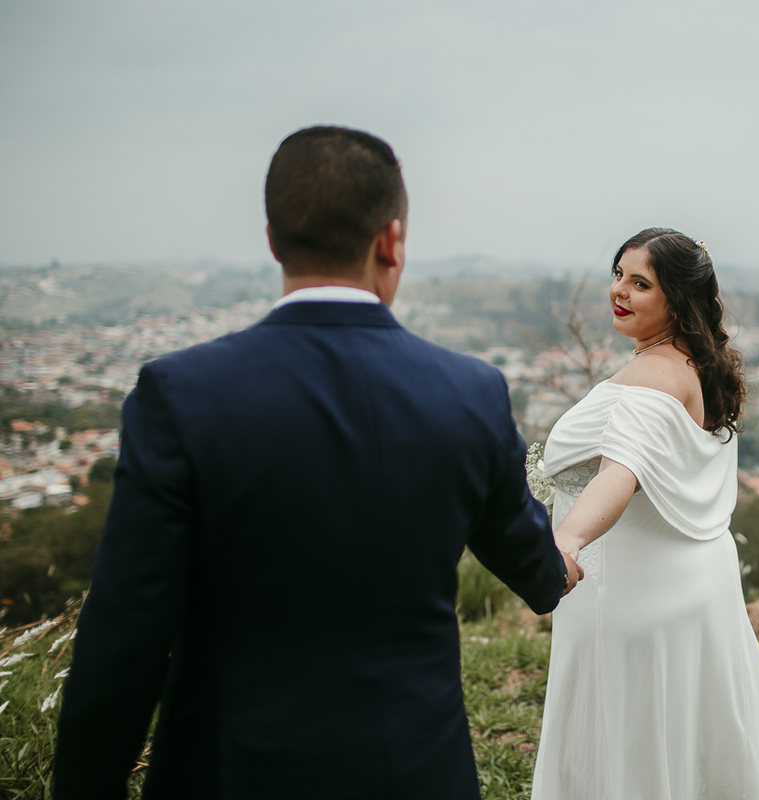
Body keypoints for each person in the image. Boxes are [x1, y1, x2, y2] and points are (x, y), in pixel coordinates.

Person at [53, 125, 581, 800]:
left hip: (228, 772)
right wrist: (559, 565)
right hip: (415, 772)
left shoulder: (180, 394)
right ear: (391, 240)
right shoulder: (471, 392)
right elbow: (533, 567)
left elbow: (124, 635)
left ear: (273, 238)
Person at [531, 228, 759, 799]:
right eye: (618, 275)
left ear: (676, 298)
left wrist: (568, 539)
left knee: (626, 745)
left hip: (628, 596)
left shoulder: (651, 379)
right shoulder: (688, 362)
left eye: (640, 283)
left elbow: (620, 474)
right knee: (681, 739)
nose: (618, 292)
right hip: (686, 586)